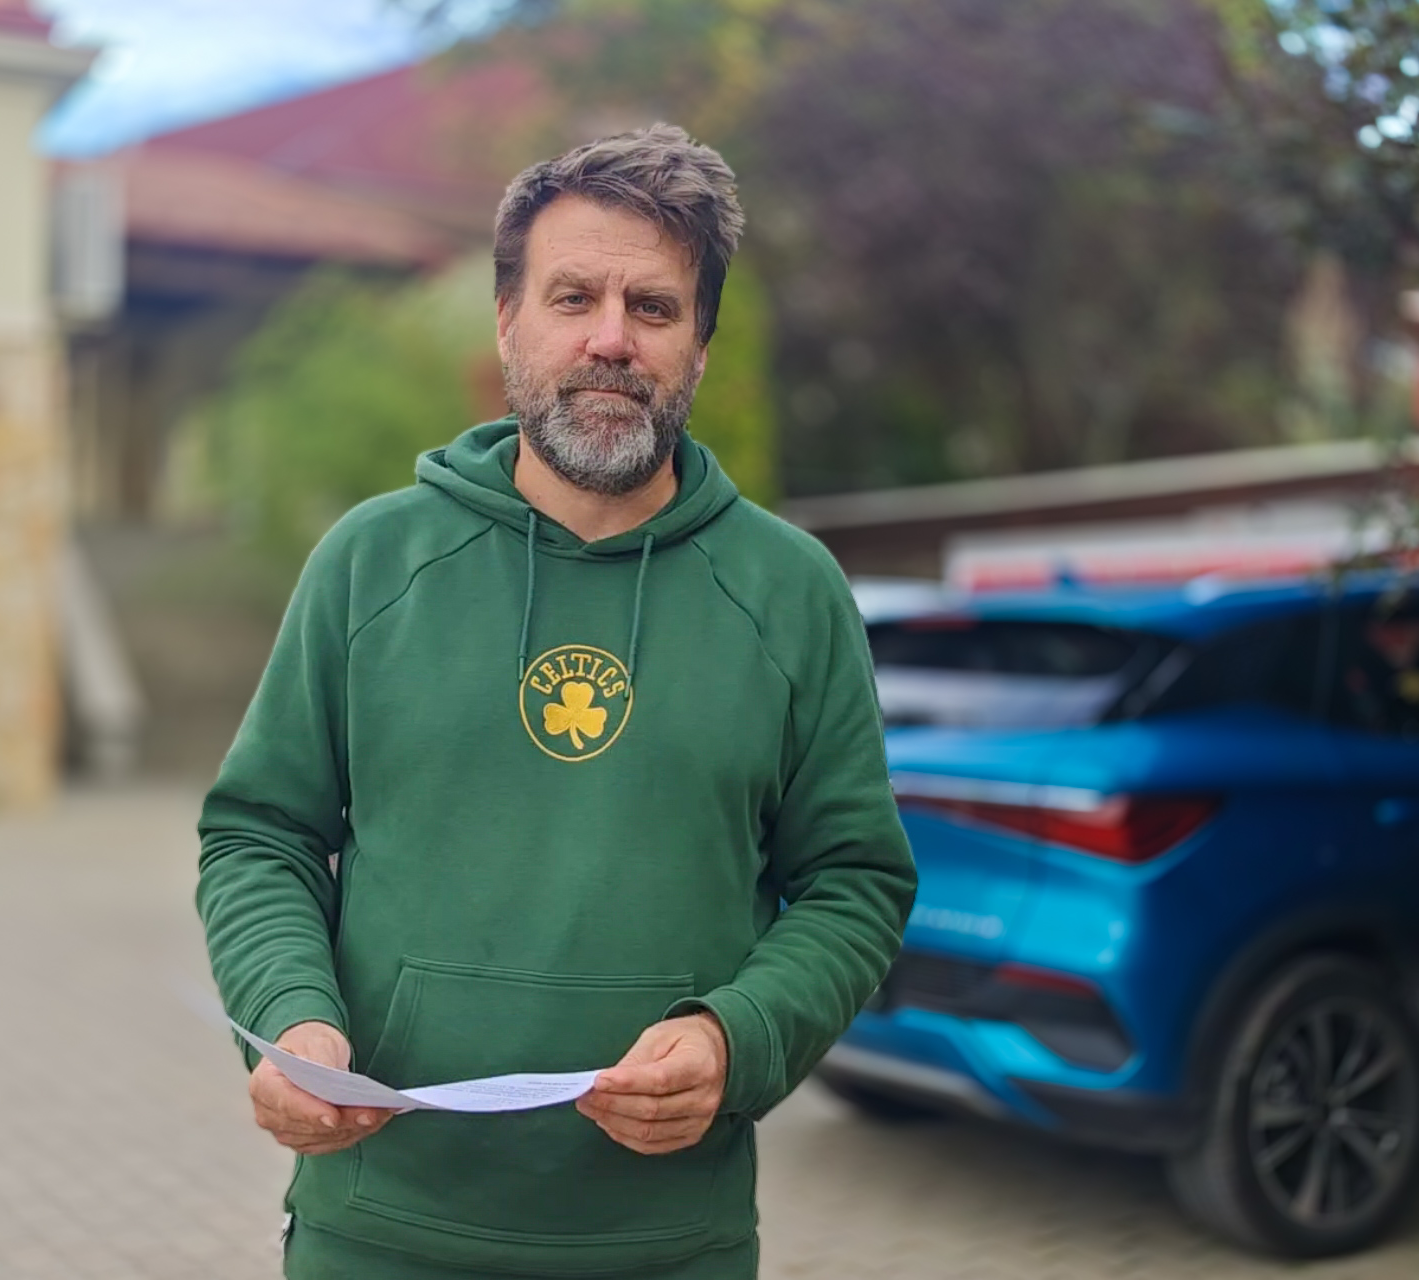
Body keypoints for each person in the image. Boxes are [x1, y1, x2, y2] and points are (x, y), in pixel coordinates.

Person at [197, 123, 916, 1280]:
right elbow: (259, 834)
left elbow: (854, 881)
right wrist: (291, 1015)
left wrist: (736, 1036)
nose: (609, 338)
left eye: (653, 307)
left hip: (666, 1240)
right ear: (506, 320)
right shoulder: (371, 563)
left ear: (699, 345)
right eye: (572, 296)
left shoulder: (790, 592)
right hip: (379, 1227)